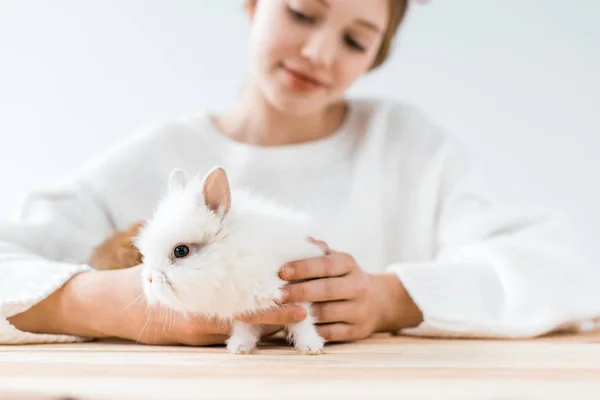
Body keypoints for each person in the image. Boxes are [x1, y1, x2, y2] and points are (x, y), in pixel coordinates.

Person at [2, 0, 599, 347]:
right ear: (254, 4)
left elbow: (561, 274)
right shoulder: (160, 156)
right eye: (303, 12)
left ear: (376, 57)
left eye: (355, 40)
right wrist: (109, 305)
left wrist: (394, 299)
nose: (319, 52)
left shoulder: (407, 146)